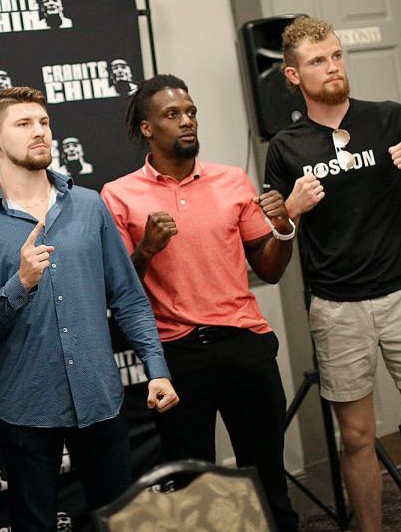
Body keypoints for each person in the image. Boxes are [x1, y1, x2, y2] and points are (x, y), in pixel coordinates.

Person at [264, 16, 401, 532]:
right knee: (355, 437)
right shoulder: (285, 147)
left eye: (335, 56)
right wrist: (293, 208)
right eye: (317, 62)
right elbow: (274, 232)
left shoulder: (391, 117)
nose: (331, 68)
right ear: (292, 76)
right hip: (337, 308)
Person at [0, 87, 178, 531]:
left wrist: (157, 368)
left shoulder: (89, 206)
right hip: (27, 407)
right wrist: (20, 284)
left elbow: (128, 296)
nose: (40, 132)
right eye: (24, 124)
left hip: (100, 398)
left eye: (43, 122)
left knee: (118, 520)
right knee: (34, 524)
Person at [100, 74, 299, 531]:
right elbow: (117, 290)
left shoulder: (232, 180)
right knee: (194, 486)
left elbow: (269, 268)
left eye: (190, 112)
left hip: (245, 343)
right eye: (172, 115)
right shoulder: (120, 194)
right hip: (178, 354)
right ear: (148, 129)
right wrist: (146, 247)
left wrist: (285, 228)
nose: (187, 122)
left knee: (267, 477)